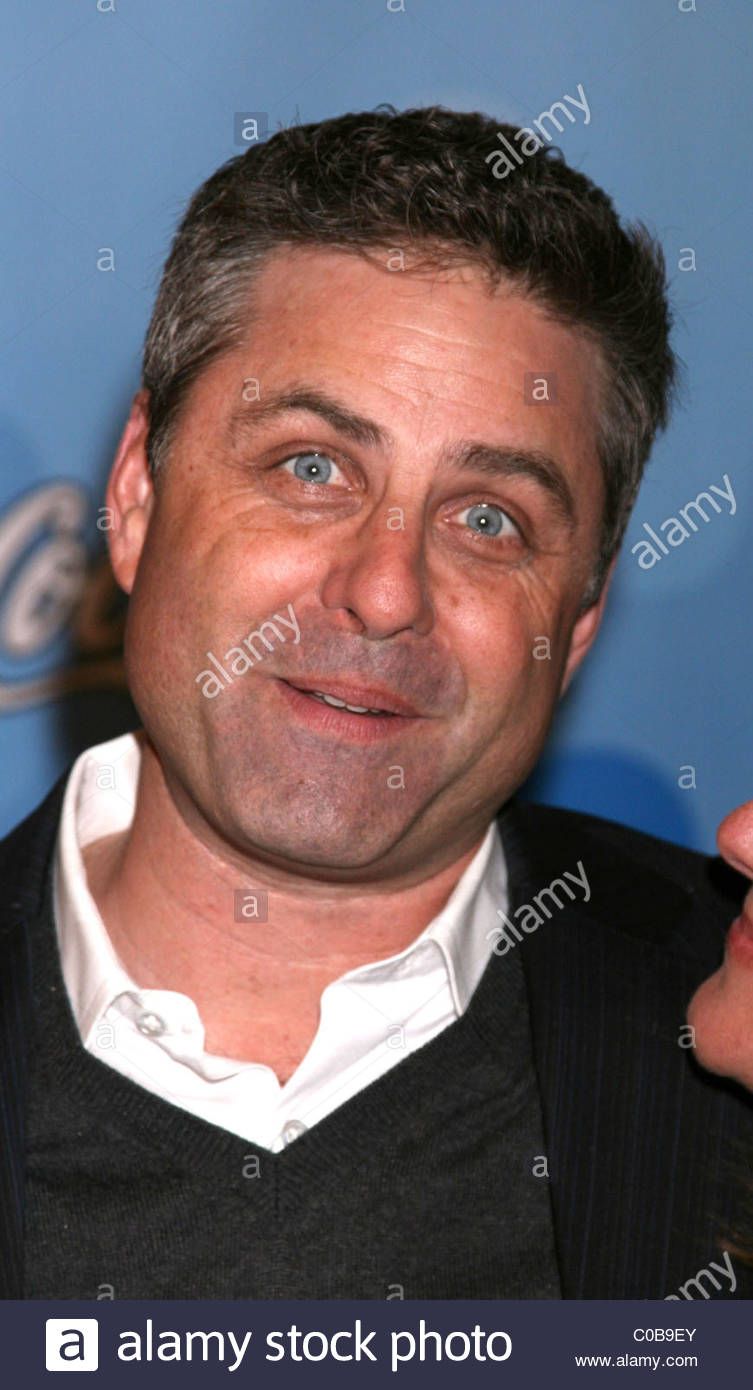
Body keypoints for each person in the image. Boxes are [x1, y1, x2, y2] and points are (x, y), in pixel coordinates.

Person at [1, 105, 751, 1300]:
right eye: (311, 467)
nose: (387, 590)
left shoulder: (726, 1035)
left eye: (489, 519)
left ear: (581, 618)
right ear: (137, 493)